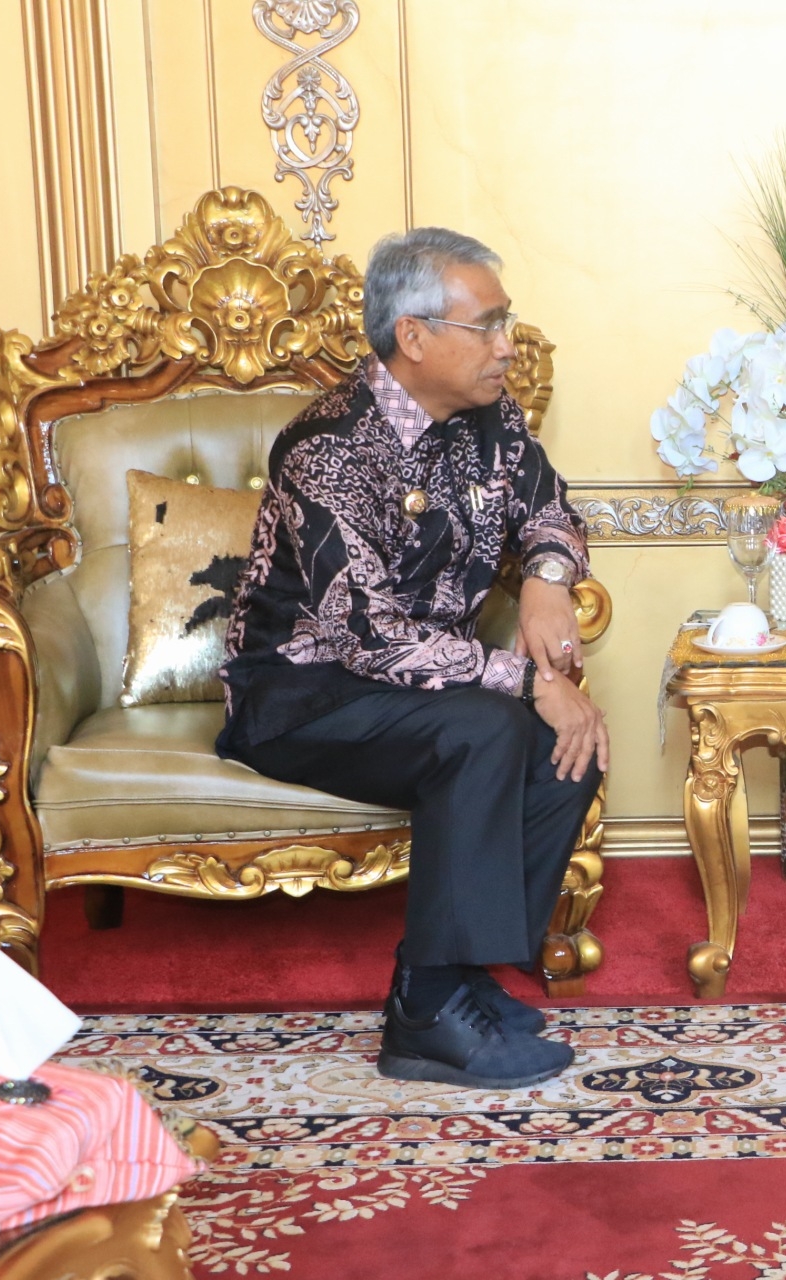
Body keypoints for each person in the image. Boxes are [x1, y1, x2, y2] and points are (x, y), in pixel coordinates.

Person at [217, 227, 608, 1090]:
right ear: (415, 336)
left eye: (507, 322)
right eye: (489, 325)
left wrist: (546, 581)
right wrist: (528, 679)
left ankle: (456, 979)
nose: (508, 346)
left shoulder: (491, 420)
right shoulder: (329, 448)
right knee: (488, 729)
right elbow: (369, 634)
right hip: (304, 693)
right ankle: (427, 1014)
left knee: (571, 742)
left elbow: (550, 507)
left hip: (423, 685)